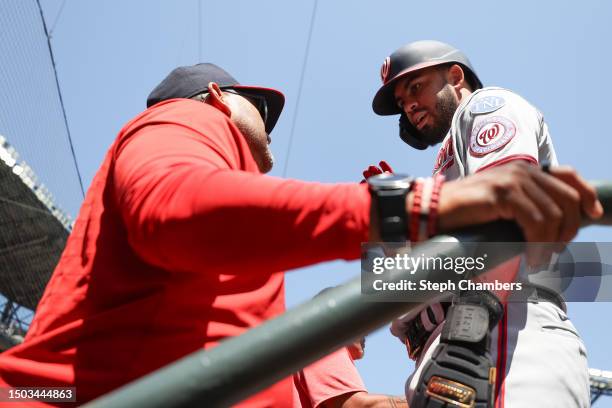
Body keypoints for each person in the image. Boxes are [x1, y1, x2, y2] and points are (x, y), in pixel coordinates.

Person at [0, 62, 601, 407]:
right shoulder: (186, 119)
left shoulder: (250, 273)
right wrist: (411, 206)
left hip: (490, 335)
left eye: (415, 90)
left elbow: (337, 400)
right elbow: (175, 209)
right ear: (216, 97)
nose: (269, 124)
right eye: (258, 106)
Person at [369, 40, 595, 407]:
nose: (408, 106)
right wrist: (401, 233)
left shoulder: (486, 106)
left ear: (455, 77)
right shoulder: (451, 160)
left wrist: (465, 340)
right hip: (461, 339)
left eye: (415, 87)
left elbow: (506, 212)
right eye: (400, 102)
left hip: (503, 334)